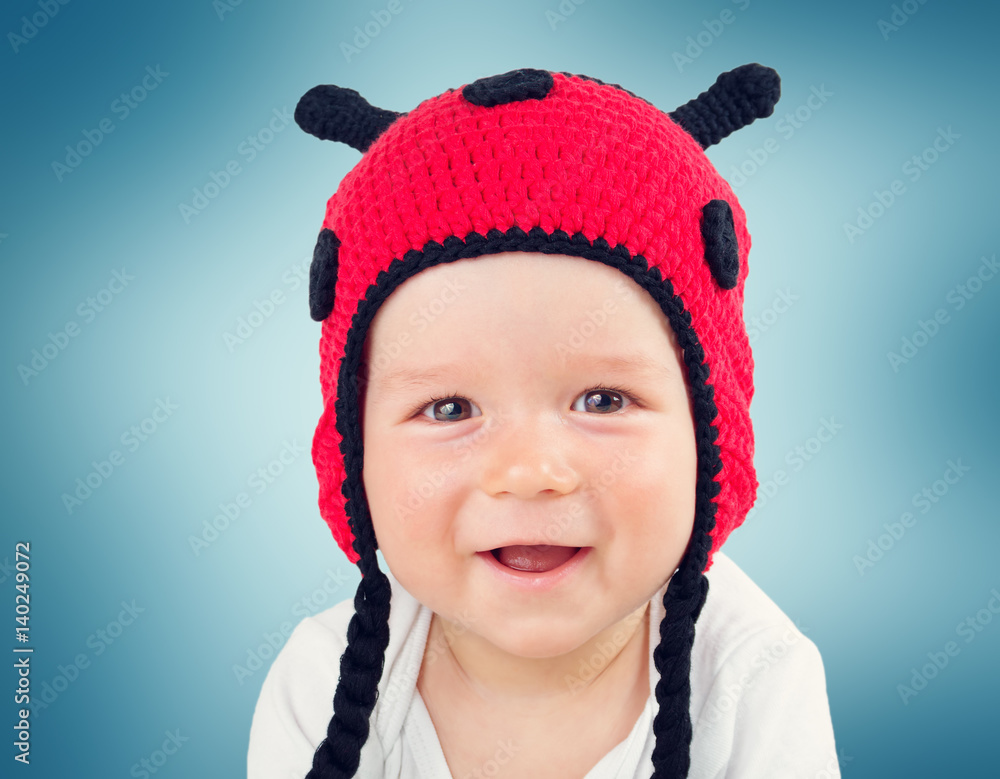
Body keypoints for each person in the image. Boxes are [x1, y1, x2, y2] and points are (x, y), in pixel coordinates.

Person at [247, 65, 841, 779]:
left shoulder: (754, 683)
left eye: (603, 399)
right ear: (354, 455)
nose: (529, 470)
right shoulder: (320, 686)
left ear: (710, 438)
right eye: (450, 408)